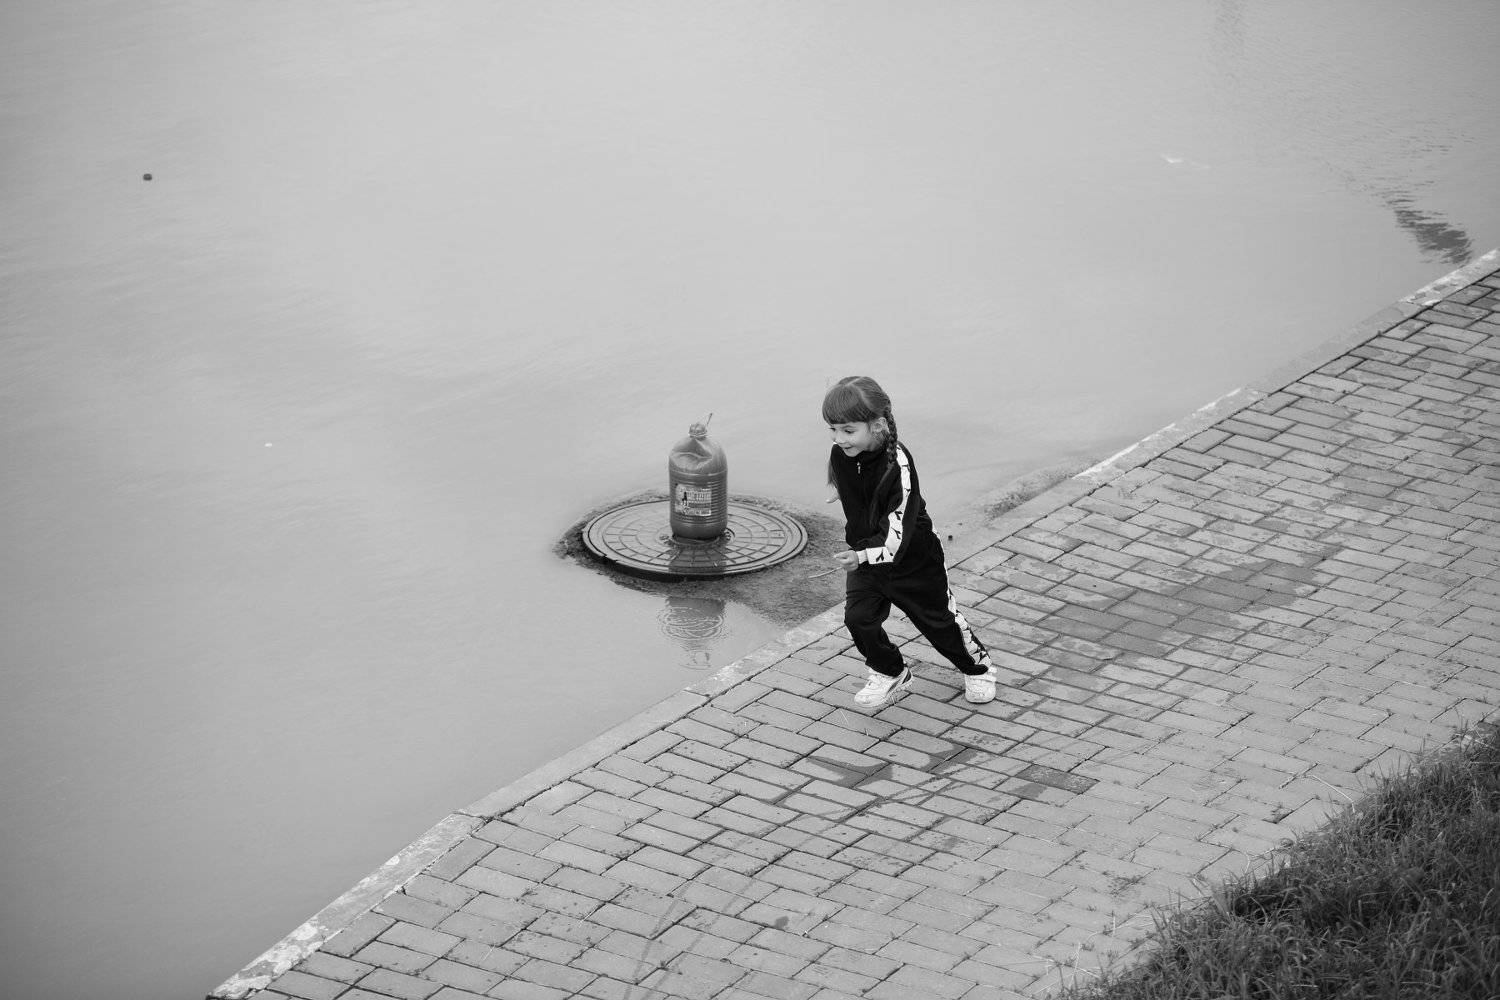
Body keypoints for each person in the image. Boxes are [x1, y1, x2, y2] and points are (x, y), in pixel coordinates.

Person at [822, 376, 997, 709]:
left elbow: (896, 530)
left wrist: (861, 556)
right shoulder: (842, 452)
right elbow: (844, 472)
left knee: (938, 622)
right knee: (858, 619)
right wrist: (840, 489)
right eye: (833, 429)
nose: (838, 438)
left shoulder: (898, 465)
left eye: (848, 430)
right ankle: (891, 671)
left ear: (877, 425)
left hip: (912, 559)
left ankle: (978, 668)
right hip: (866, 555)